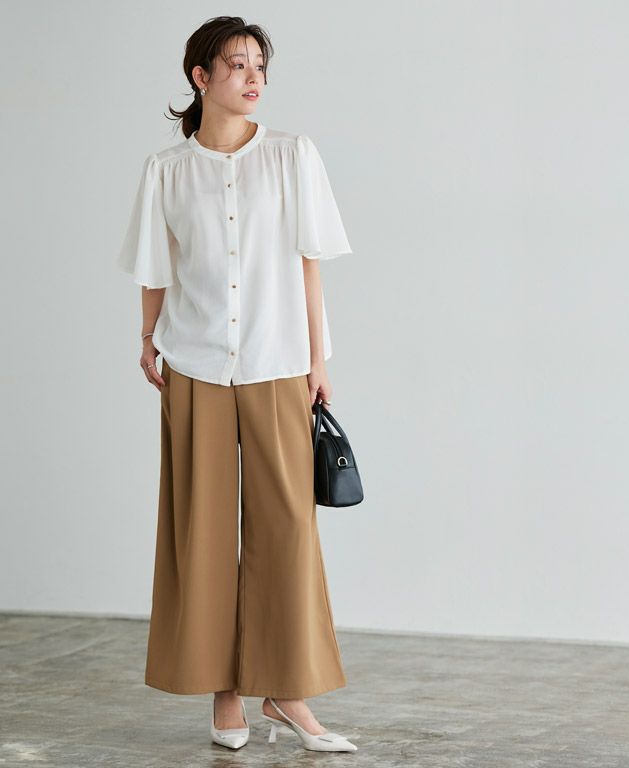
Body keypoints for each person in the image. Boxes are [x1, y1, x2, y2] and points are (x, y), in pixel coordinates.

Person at [116, 16, 357, 753]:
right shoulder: (166, 169)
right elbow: (155, 266)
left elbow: (309, 260)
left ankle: (286, 691)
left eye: (260, 66)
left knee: (287, 526)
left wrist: (318, 358)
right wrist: (147, 339)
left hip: (278, 360)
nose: (254, 79)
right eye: (238, 65)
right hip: (194, 363)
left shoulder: (291, 155)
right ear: (200, 76)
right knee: (204, 530)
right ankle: (224, 693)